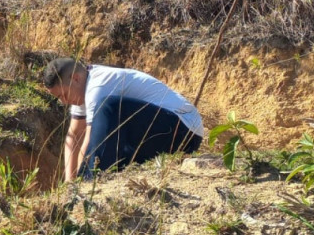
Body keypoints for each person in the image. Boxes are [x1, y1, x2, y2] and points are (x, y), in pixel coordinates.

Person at [41, 57, 204, 181]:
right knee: (115, 158)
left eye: (63, 95)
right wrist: (70, 183)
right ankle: (92, 182)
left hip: (183, 131)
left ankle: (90, 182)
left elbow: (89, 139)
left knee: (108, 106)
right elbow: (74, 136)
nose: (64, 102)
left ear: (75, 78)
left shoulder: (97, 86)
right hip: (157, 136)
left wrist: (81, 182)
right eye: (59, 98)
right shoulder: (81, 89)